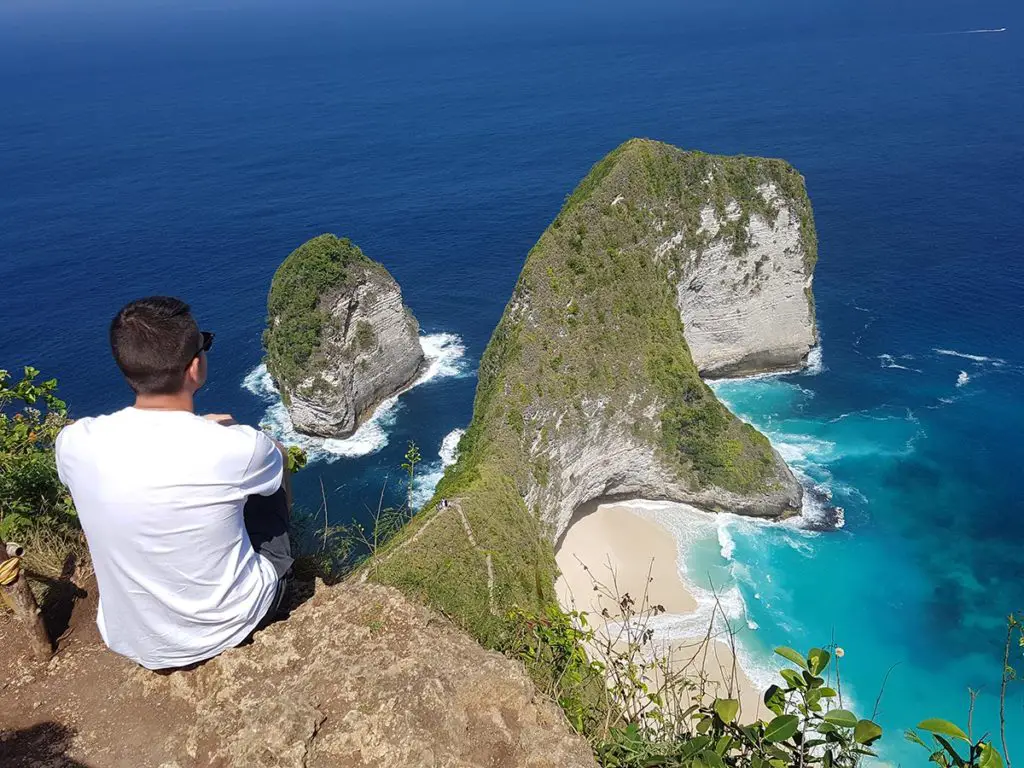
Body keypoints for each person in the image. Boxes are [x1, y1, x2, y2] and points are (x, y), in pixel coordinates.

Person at [55, 296, 293, 671]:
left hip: (134, 641)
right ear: (195, 366)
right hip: (233, 624)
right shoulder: (236, 448)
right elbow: (276, 455)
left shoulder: (74, 443)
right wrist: (232, 432)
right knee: (270, 478)